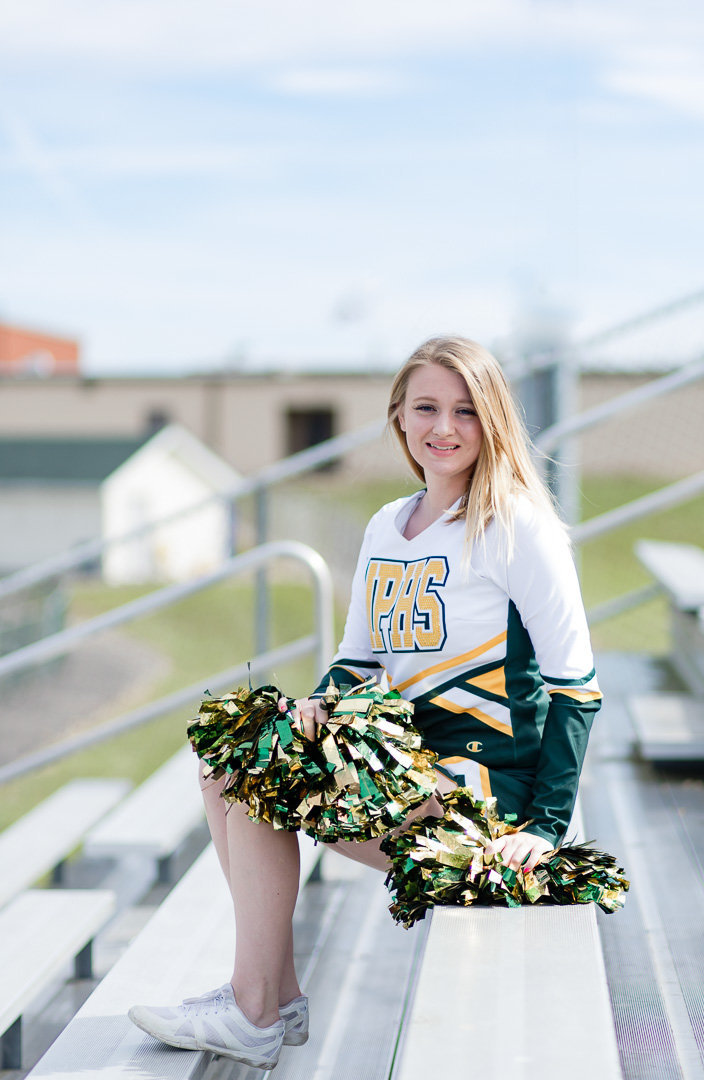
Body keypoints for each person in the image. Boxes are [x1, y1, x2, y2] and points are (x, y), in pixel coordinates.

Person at [128, 335, 602, 1070]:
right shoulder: (389, 524)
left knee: (261, 782)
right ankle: (271, 998)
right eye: (427, 408)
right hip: (416, 774)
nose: (445, 427)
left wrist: (543, 826)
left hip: (484, 796)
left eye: (467, 411)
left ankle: (255, 1010)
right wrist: (315, 709)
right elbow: (357, 660)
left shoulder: (517, 526)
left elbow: (578, 686)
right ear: (399, 418)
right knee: (233, 761)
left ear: (494, 422)